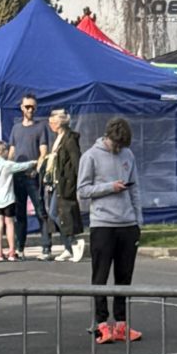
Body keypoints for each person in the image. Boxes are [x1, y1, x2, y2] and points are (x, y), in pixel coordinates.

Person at [77, 118, 143, 341]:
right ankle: (102, 323)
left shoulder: (128, 154)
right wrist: (109, 187)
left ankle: (122, 324)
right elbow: (82, 190)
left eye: (122, 146)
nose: (118, 149)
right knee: (100, 276)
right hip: (103, 224)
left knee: (124, 278)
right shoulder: (90, 156)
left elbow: (135, 189)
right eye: (116, 144)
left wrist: (138, 221)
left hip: (128, 224)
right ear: (108, 137)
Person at [8, 92, 53, 258]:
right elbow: (12, 151)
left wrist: (37, 169)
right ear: (21, 108)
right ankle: (20, 248)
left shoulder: (40, 127)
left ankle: (46, 247)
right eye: (27, 107)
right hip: (17, 176)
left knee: (41, 211)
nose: (30, 110)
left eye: (33, 107)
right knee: (20, 213)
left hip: (32, 176)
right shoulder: (16, 128)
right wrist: (6, 168)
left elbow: (44, 152)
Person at [47, 109, 84, 263]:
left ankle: (74, 242)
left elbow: (76, 161)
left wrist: (78, 181)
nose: (50, 125)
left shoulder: (69, 139)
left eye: (51, 122)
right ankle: (68, 247)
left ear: (58, 124)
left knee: (59, 213)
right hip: (57, 181)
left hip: (66, 182)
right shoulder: (59, 138)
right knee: (56, 214)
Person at [0, 140, 18, 261]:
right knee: (9, 223)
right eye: (5, 150)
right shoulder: (8, 165)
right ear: (1, 151)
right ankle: (11, 251)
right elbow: (22, 166)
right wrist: (33, 162)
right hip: (8, 198)